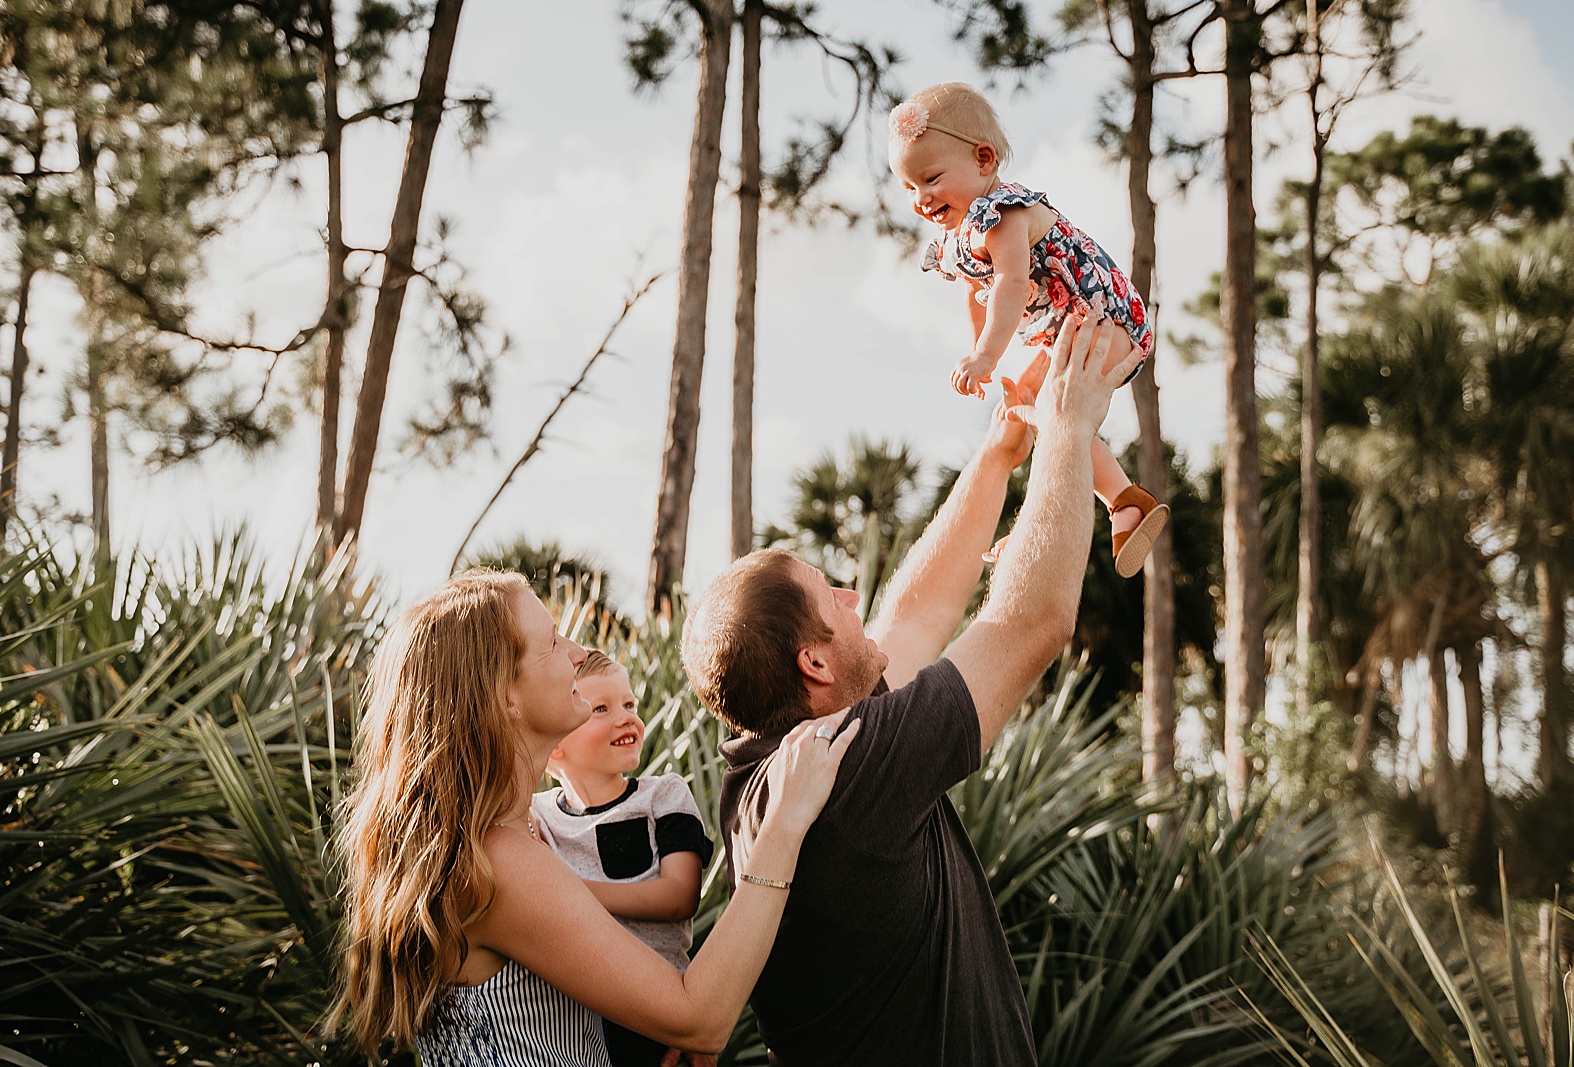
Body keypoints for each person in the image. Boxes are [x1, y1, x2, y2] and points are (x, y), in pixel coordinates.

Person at [681, 312, 1143, 1067]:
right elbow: (1031, 624)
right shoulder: (846, 771)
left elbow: (916, 616)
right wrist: (1068, 424)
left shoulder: (795, 760)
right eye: (831, 594)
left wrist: (1000, 455)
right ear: (816, 666)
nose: (853, 593)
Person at [332, 569, 860, 1065]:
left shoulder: (505, 842)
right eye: (554, 643)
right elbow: (700, 1018)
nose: (580, 653)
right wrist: (784, 821)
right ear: (506, 694)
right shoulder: (500, 863)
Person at [890, 80, 1168, 578]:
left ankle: (1039, 523)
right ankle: (1126, 501)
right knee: (1052, 421)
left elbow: (1011, 284)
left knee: (1058, 420)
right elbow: (978, 292)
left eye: (930, 178)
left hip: (1103, 317)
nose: (921, 198)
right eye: (909, 188)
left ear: (982, 159)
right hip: (1073, 327)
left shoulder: (1001, 213)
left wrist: (987, 359)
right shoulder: (961, 237)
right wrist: (979, 347)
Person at [533, 650, 716, 1067]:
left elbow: (679, 896)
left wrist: (573, 892)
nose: (626, 717)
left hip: (656, 1012)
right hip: (572, 1023)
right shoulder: (537, 815)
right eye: (600, 708)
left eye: (629, 704)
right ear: (555, 745)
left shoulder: (664, 796)